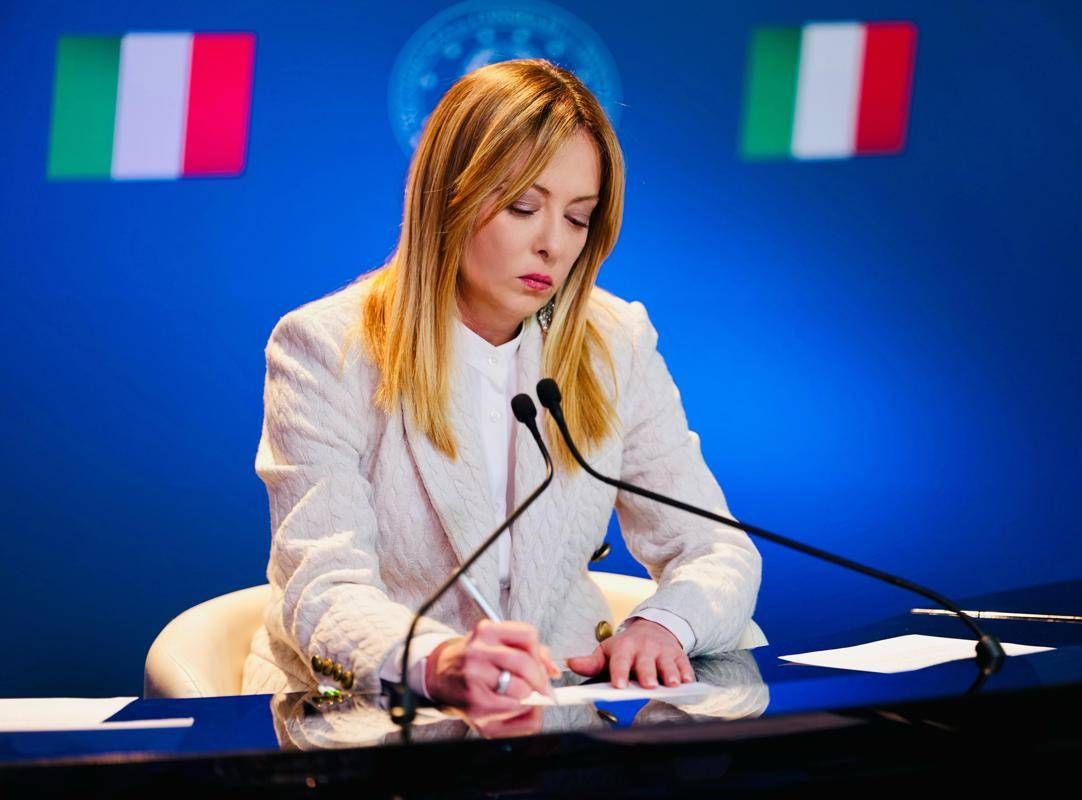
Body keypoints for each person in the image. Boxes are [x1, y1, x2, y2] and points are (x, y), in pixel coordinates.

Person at [241, 58, 762, 715]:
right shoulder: (326, 348)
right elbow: (322, 586)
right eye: (524, 207)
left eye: (578, 218)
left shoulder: (614, 342)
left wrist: (665, 624)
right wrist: (436, 660)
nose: (553, 245)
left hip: (561, 716)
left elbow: (713, 546)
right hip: (374, 716)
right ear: (450, 197)